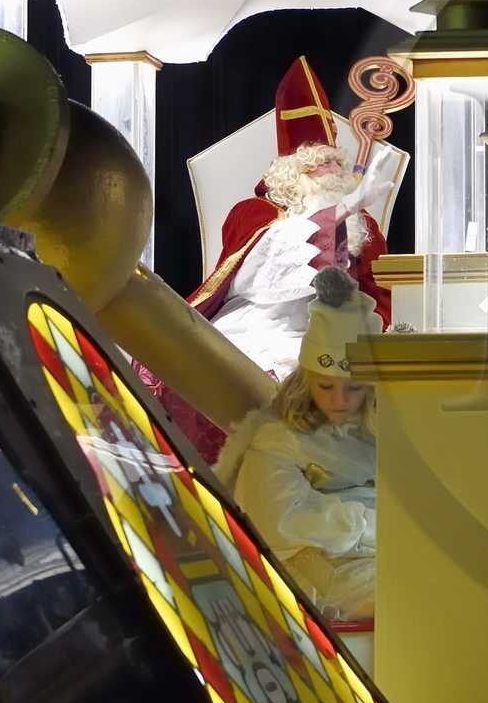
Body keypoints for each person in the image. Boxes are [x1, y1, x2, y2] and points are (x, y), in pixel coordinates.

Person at [142, 58, 396, 462]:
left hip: (329, 332)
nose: (334, 171)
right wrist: (343, 209)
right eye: (320, 165)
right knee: (226, 378)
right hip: (257, 325)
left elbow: (379, 292)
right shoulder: (256, 212)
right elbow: (265, 275)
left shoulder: (361, 225)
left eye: (337, 162)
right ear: (293, 176)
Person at [216, 267, 381, 621]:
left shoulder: (377, 431)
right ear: (306, 381)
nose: (339, 401)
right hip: (315, 567)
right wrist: (371, 524)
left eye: (353, 388)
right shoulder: (276, 440)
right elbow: (279, 525)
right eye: (326, 386)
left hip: (381, 552)